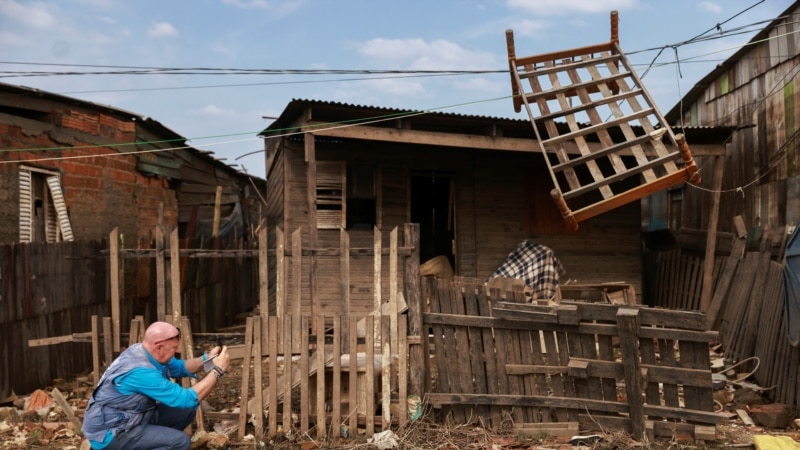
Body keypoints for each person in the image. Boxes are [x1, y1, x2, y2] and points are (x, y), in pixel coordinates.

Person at [82, 321, 231, 450]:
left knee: (186, 411)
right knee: (180, 442)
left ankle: (154, 443)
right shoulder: (141, 372)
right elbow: (185, 398)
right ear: (159, 346)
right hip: (112, 432)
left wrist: (208, 359)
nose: (176, 352)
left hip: (133, 418)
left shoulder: (144, 351)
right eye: (173, 348)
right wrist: (217, 371)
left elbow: (181, 367)